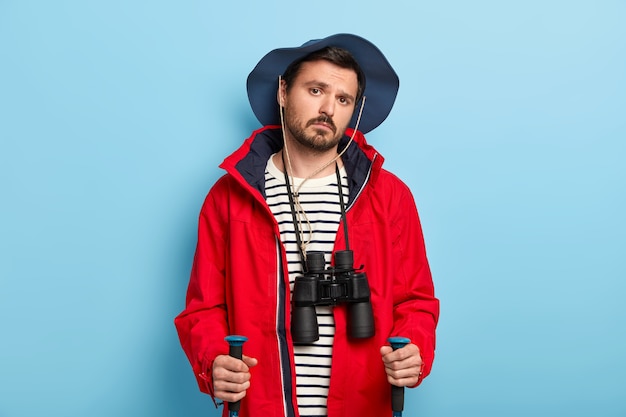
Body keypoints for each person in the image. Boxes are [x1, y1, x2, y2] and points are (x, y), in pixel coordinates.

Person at [175, 33, 439, 417]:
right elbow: (203, 308)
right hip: (263, 404)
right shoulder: (230, 196)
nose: (328, 108)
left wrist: (413, 350)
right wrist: (215, 360)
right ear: (283, 91)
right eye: (316, 90)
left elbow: (416, 301)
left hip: (364, 404)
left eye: (343, 99)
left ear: (355, 110)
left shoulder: (389, 196)